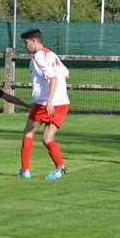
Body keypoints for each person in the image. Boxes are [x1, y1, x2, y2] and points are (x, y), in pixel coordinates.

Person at [17, 29, 70, 180]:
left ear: (34, 41)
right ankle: (60, 168)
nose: (25, 46)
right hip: (63, 103)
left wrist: (49, 100)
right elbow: (66, 74)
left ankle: (25, 171)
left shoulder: (38, 56)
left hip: (46, 103)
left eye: (26, 42)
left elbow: (53, 78)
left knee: (28, 132)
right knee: (47, 138)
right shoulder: (51, 54)